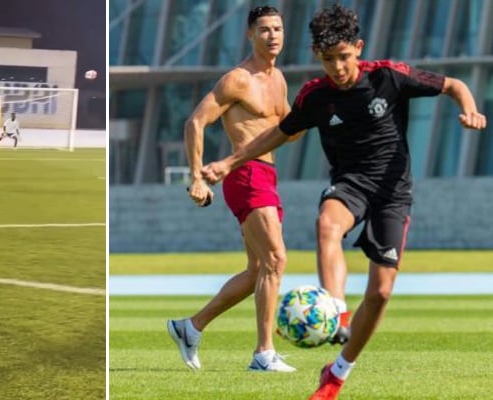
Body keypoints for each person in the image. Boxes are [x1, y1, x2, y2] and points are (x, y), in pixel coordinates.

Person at [201, 4, 486, 399]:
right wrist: (229, 161)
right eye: (328, 59)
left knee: (381, 292)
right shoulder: (316, 97)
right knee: (326, 224)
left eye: (345, 57)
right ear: (318, 55)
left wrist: (470, 110)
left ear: (359, 48)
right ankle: (336, 311)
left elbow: (454, 84)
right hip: (350, 184)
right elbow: (278, 133)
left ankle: (336, 372)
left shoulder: (389, 76)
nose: (337, 67)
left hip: (393, 193)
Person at [166, 5, 303, 373]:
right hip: (245, 176)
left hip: (268, 176)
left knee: (258, 268)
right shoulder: (238, 80)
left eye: (277, 28)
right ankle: (263, 354)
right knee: (276, 260)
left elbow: (289, 129)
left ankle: (190, 327)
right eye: (263, 29)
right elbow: (195, 122)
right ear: (250, 35)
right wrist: (195, 176)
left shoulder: (279, 81)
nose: (272, 35)